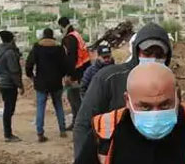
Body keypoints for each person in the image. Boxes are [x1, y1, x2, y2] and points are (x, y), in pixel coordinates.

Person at [73, 21, 173, 155]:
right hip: (114, 160)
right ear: (137, 52)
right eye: (147, 53)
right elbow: (83, 125)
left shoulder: (169, 85)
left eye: (159, 55)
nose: (153, 59)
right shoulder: (109, 78)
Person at [25, 28, 71, 142]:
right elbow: (65, 65)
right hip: (56, 82)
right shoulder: (59, 48)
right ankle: (62, 130)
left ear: (43, 36)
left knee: (41, 107)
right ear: (52, 36)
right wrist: (61, 75)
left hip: (41, 82)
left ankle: (40, 132)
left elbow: (29, 63)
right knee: (58, 105)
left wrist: (31, 76)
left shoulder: (37, 47)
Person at [0, 31, 24, 142]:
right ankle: (8, 134)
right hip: (9, 84)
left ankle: (8, 133)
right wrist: (20, 85)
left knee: (7, 108)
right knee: (9, 109)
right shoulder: (10, 53)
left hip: (1, 83)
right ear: (11, 40)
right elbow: (14, 71)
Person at [59, 17, 90, 118]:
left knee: (74, 98)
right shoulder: (76, 35)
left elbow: (71, 58)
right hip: (83, 69)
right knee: (76, 97)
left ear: (62, 26)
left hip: (76, 73)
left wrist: (69, 75)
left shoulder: (69, 38)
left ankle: (78, 121)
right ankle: (78, 120)